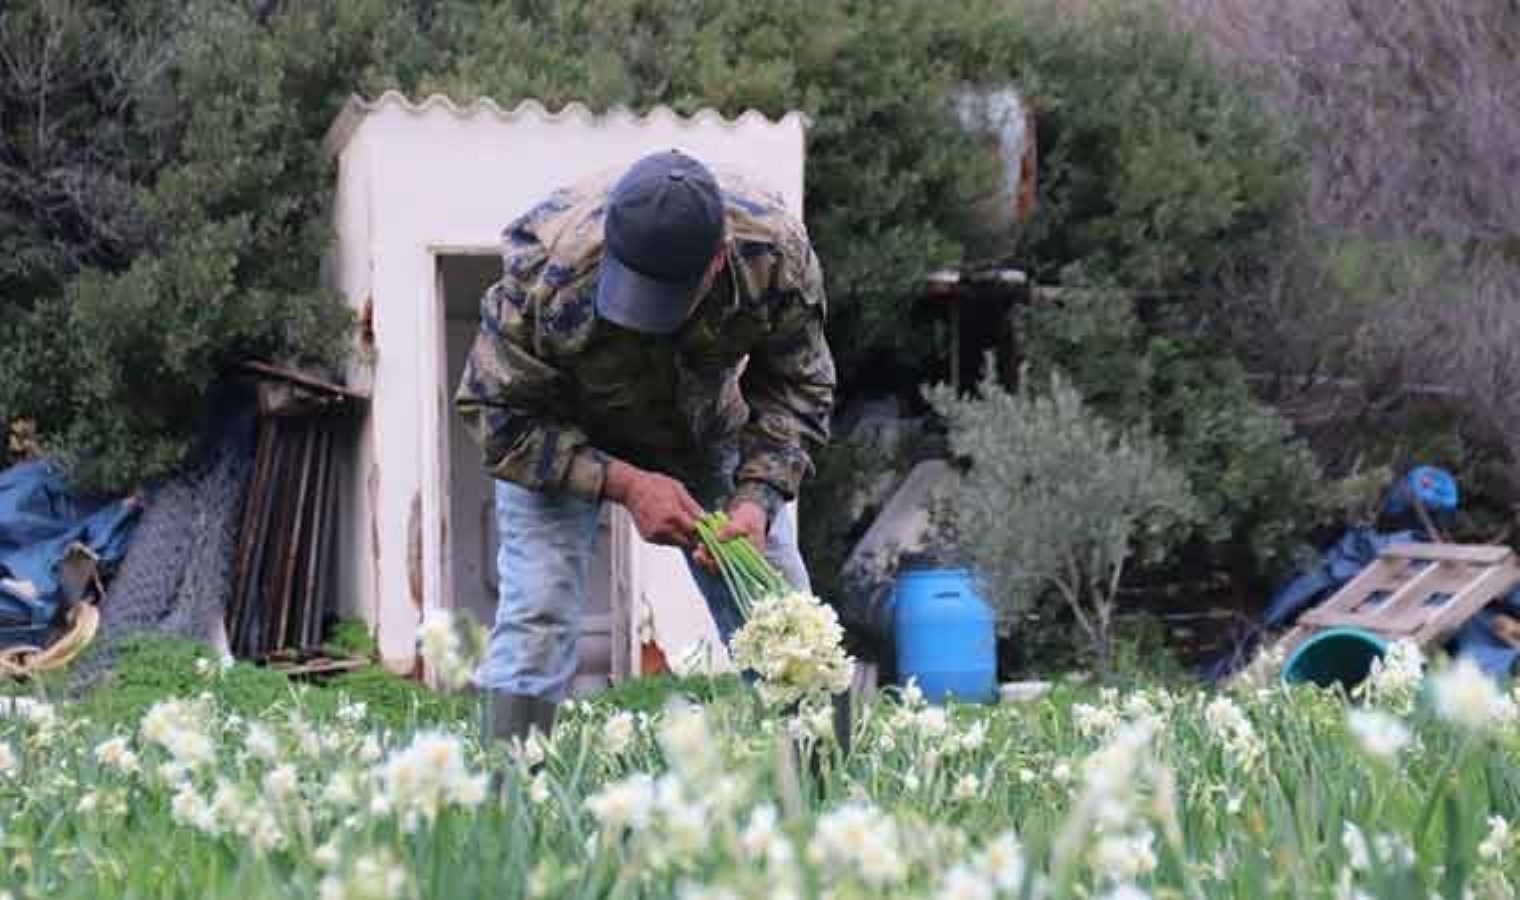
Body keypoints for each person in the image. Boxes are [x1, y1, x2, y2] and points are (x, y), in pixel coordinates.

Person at [455, 149, 836, 744]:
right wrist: (626, 483)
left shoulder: (774, 253)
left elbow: (799, 387)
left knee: (779, 605)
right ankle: (505, 799)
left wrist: (757, 499)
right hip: (558, 431)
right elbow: (495, 415)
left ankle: (817, 788)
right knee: (539, 611)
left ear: (716, 262)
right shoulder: (546, 266)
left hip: (703, 429)